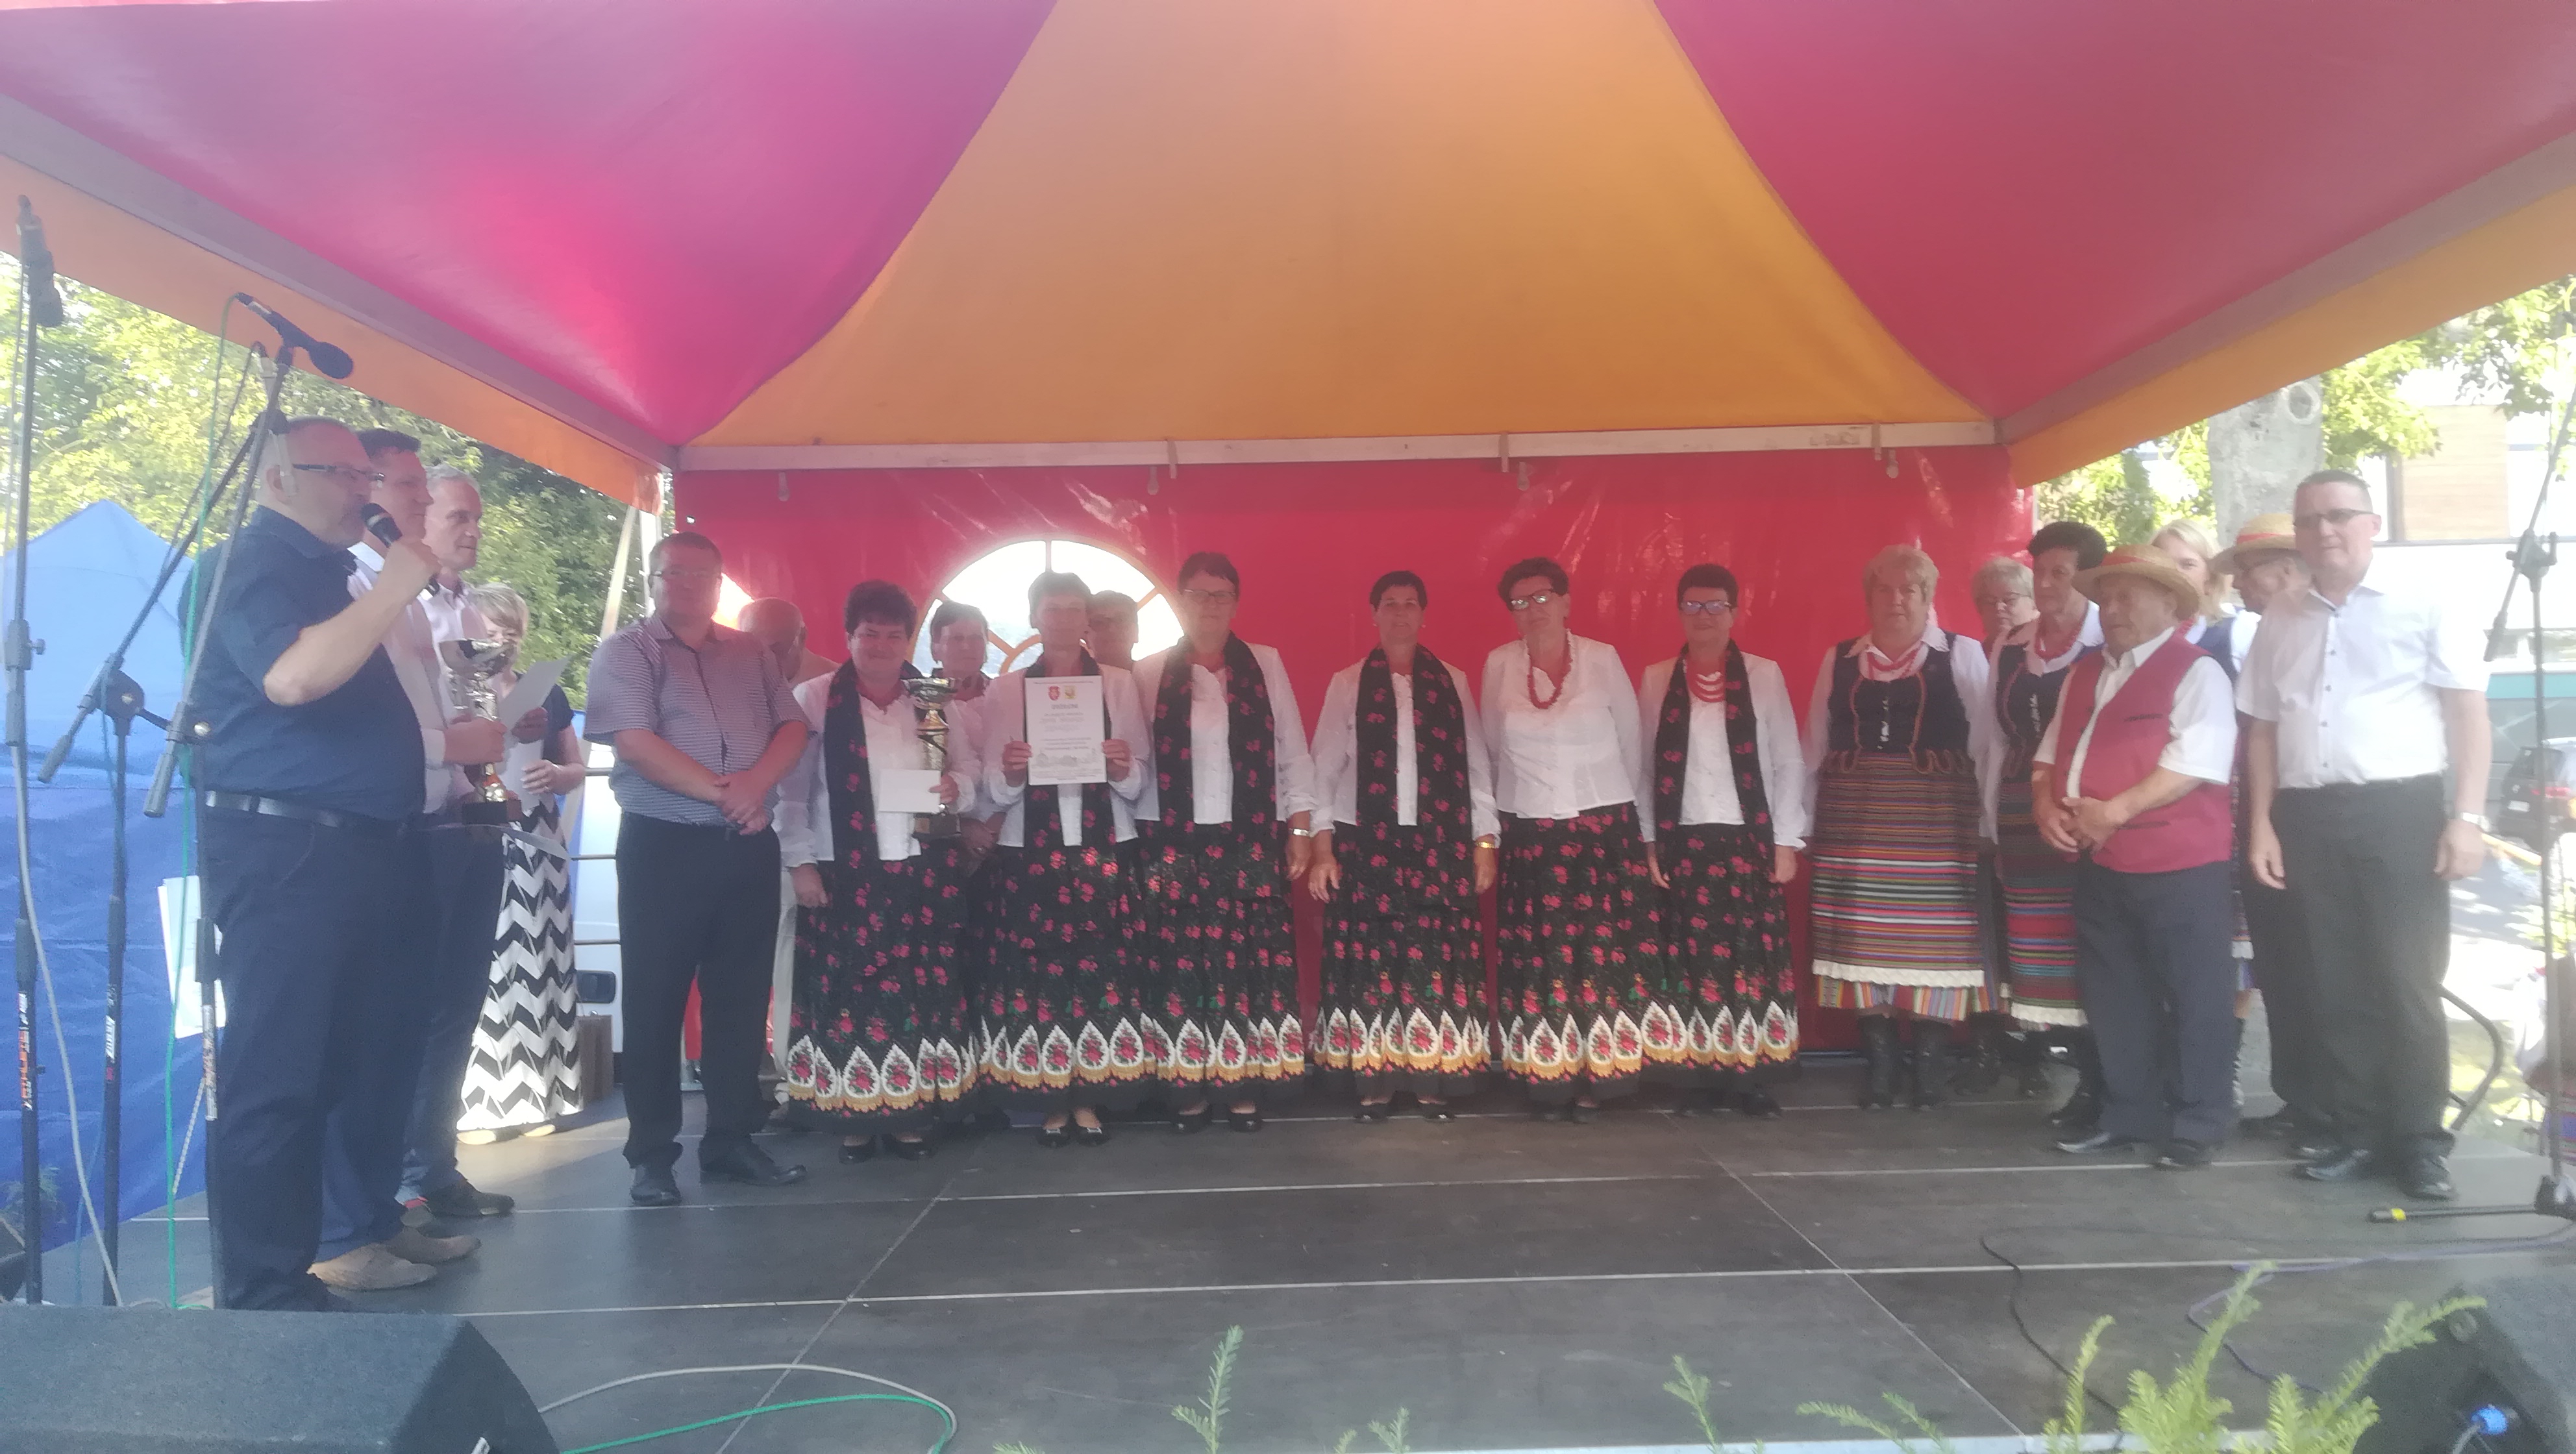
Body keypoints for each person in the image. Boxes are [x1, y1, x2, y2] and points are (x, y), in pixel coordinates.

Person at [188, 416, 440, 1310]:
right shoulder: (246, 561)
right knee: (279, 1071)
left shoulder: (330, 572)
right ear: (276, 480)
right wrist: (395, 586)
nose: (363, 493)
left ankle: (337, 1236)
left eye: (366, 476)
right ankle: (263, 1285)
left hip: (363, 847)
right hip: (287, 849)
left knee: (354, 1062)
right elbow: (292, 678)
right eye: (342, 473)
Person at [2242, 470, 2490, 1201]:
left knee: (2405, 982)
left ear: (2371, 523)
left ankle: (2417, 1143)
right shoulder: (2280, 615)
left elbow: (2466, 713)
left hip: (2400, 810)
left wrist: (2467, 817)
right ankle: (2355, 1133)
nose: (2324, 530)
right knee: (2333, 981)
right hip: (2306, 814)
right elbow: (2262, 729)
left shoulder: (2424, 600)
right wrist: (2261, 822)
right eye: (2309, 519)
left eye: (2339, 515)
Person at [306, 432, 501, 1293]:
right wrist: (453, 745)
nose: (422, 504)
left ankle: (389, 1207)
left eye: (428, 490)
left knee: (421, 1022)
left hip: (441, 820)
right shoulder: (353, 584)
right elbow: (360, 721)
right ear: (366, 489)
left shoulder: (427, 596)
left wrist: (480, 750)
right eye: (411, 488)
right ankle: (347, 1226)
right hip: (371, 830)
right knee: (365, 1035)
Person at [584, 532, 812, 1206]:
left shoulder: (750, 653)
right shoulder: (626, 652)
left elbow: (792, 728)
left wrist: (754, 787)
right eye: (674, 573)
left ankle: (732, 1139)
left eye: (702, 575)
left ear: (719, 584)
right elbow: (635, 742)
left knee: (740, 997)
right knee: (655, 997)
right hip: (665, 843)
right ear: (652, 581)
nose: (688, 584)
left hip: (746, 843)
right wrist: (724, 793)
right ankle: (652, 1155)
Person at [2034, 548, 2240, 1169]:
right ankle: (2128, 1114)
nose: (2112, 609)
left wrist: (2114, 811)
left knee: (2195, 994)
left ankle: (2199, 1121)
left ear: (2169, 605)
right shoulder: (2085, 671)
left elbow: (2195, 761)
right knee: (2115, 994)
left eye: (2128, 597)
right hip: (2101, 862)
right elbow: (2049, 755)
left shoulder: (2196, 670)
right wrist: (2044, 806)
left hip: (2181, 861)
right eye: (2107, 597)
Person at [776, 581, 984, 1163]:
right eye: (870, 634)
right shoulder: (815, 698)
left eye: (894, 635)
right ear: (849, 637)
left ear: (909, 641)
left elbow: (972, 772)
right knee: (849, 995)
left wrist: (956, 787)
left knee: (919, 993)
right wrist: (801, 865)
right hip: (842, 869)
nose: (882, 646)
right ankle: (856, 1120)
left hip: (921, 868)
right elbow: (791, 794)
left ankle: (911, 1117)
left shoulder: (932, 698)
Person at [1804, 544, 1998, 1109]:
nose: (1895, 600)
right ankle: (1883, 1069)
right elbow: (1815, 742)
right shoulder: (1841, 658)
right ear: (1869, 598)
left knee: (1933, 943)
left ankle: (1929, 1071)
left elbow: (1987, 743)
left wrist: (1986, 821)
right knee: (1861, 940)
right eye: (1884, 590)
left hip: (1935, 820)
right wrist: (1803, 821)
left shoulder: (1961, 653)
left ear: (1927, 596)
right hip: (1854, 818)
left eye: (1908, 590)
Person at [1134, 552, 1317, 1131]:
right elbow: (1135, 765)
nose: (1210, 605)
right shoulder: (1149, 672)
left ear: (1236, 603)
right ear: (1180, 601)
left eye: (1221, 595)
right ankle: (1188, 1088)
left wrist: (1301, 830)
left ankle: (1244, 1086)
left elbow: (1293, 752)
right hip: (1173, 843)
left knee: (1248, 968)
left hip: (1250, 839)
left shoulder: (1265, 663)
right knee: (1182, 969)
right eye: (1198, 594)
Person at [1308, 571, 1499, 1120]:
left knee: (1432, 965)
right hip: (1366, 845)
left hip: (1439, 846)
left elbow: (1475, 766)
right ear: (1373, 614)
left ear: (1423, 614)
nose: (1399, 613)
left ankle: (1431, 1079)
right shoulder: (1348, 683)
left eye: (1409, 603)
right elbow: (1324, 771)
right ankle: (1375, 1082)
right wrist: (1322, 848)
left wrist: (1485, 841)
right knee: (1374, 967)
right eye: (1389, 604)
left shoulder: (1453, 682)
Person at [1481, 556, 1661, 1120]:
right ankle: (1547, 1077)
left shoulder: (1602, 659)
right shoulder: (1499, 665)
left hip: (1603, 834)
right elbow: (1492, 752)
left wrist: (1640, 832)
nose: (1532, 610)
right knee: (1541, 962)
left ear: (1565, 601)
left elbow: (1633, 748)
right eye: (1519, 603)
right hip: (1532, 836)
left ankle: (1599, 1078)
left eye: (1542, 598)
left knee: (1598, 959)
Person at [980, 571, 1156, 1144]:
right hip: (1028, 849)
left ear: (1087, 619)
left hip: (1104, 844)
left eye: (1073, 609)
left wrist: (1123, 765)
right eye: (1051, 609)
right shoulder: (1006, 690)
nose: (1062, 619)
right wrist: (1011, 773)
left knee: (1101, 969)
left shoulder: (1118, 684)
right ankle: (1052, 1099)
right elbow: (992, 787)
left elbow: (1141, 779)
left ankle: (1091, 1097)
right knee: (1038, 974)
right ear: (1034, 617)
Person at [1636, 563, 1809, 1116]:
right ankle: (1697, 1077)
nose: (1704, 615)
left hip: (1747, 840)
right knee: (1690, 963)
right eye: (1693, 605)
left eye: (1715, 605)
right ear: (1679, 612)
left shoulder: (1763, 674)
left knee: (1747, 962)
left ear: (1734, 612)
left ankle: (1749, 1077)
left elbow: (1787, 760)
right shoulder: (1658, 678)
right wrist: (1649, 841)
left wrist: (1786, 840)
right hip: (1682, 840)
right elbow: (1645, 766)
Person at [2211, 513, 2329, 1146]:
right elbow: (2256, 730)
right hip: (2265, 809)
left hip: (2323, 808)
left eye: (2249, 571)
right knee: (2278, 962)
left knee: (2324, 962)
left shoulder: (2329, 630)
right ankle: (2301, 1097)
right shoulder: (2264, 634)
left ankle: (2342, 1106)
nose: (2239, 584)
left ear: (2286, 570)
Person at [454, 582, 586, 1141]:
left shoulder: (545, 691)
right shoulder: (456, 691)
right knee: (487, 965)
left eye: (510, 629)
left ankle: (542, 1097)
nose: (502, 639)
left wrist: (557, 775)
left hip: (539, 836)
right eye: (492, 628)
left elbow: (576, 767)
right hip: (483, 832)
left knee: (543, 962)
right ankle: (479, 1104)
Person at [1987, 523, 2107, 1122]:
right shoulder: (2011, 644)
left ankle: (2104, 1080)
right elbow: (1992, 738)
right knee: (2042, 950)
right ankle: (2084, 1081)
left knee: (2093, 941)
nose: (2048, 584)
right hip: (2020, 808)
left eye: (2062, 572)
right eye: (2041, 572)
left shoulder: (2108, 639)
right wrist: (1990, 823)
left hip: (2087, 808)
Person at [737, 597, 832, 1074]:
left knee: (802, 966)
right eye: (752, 647)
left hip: (813, 851)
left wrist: (802, 860)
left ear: (802, 639)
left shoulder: (834, 688)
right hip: (738, 848)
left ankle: (802, 1076)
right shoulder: (726, 685)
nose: (764, 658)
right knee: (745, 969)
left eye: (775, 648)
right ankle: (752, 1074)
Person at [2151, 519, 2253, 675]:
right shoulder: (2132, 635)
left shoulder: (2241, 628)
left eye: (2187, 565)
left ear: (2211, 578)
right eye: (2164, 564)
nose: (2174, 573)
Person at [739, 597, 837, 685]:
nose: (765, 661)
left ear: (802, 637)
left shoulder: (833, 685)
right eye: (755, 652)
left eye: (776, 651)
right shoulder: (740, 682)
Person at [1971, 556, 2038, 645]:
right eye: (1990, 602)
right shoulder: (1971, 652)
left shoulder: (2051, 649)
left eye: (2009, 600)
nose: (1998, 607)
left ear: (2035, 603)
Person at [1087, 590, 1141, 671]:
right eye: (1100, 622)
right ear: (1086, 634)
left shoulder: (1156, 677)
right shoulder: (1072, 677)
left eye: (1121, 620)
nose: (1112, 629)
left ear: (1135, 632)